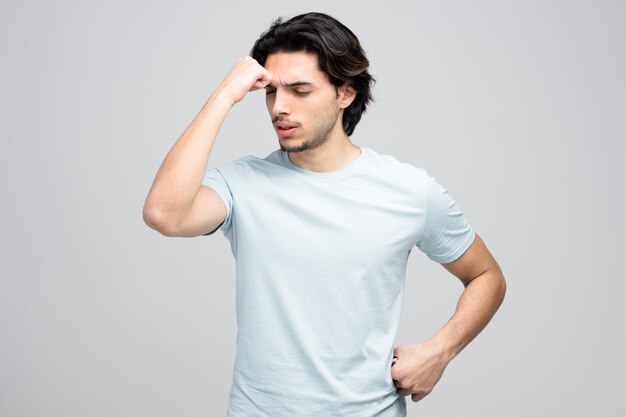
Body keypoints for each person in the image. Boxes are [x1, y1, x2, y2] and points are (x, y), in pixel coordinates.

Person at [143, 11, 506, 417]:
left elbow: (486, 276)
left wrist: (440, 351)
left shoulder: (409, 189)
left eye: (300, 90)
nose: (279, 107)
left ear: (344, 93)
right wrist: (225, 94)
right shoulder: (241, 184)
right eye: (270, 92)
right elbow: (163, 213)